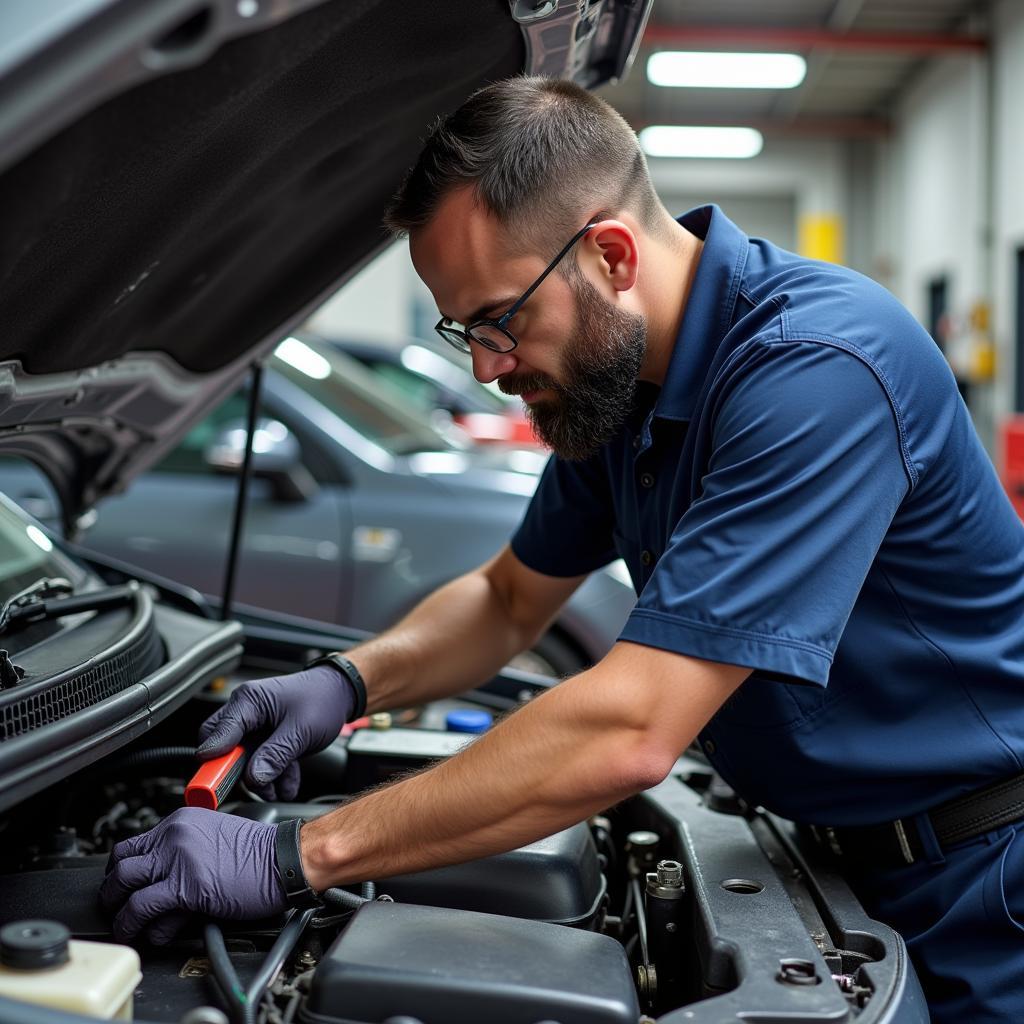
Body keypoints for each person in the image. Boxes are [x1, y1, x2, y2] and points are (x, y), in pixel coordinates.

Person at [101, 76, 1024, 1022]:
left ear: (611, 255)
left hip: (984, 887)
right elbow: (508, 601)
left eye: (499, 320)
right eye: (464, 329)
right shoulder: (618, 391)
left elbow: (633, 728)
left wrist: (299, 855)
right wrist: (343, 683)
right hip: (838, 858)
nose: (485, 368)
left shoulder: (819, 371)